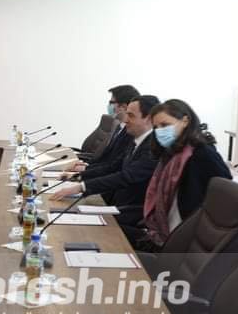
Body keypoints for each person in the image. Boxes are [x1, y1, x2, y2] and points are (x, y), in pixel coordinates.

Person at [128, 99, 232, 248]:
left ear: (185, 121)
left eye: (165, 125)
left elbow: (225, 195)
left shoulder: (203, 154)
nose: (159, 131)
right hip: (167, 230)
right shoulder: (171, 152)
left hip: (187, 237)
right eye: (156, 127)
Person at [52, 95, 159, 227]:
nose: (125, 119)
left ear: (149, 119)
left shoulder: (153, 147)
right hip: (114, 204)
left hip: (129, 213)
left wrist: (81, 187)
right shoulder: (136, 140)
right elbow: (113, 167)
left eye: (131, 116)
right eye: (126, 114)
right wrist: (79, 176)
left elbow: (126, 176)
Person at [70, 85, 140, 173]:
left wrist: (86, 170)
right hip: (99, 170)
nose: (109, 105)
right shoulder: (119, 127)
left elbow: (114, 166)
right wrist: (86, 165)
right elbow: (106, 159)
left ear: (124, 106)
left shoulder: (131, 133)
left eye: (111, 102)